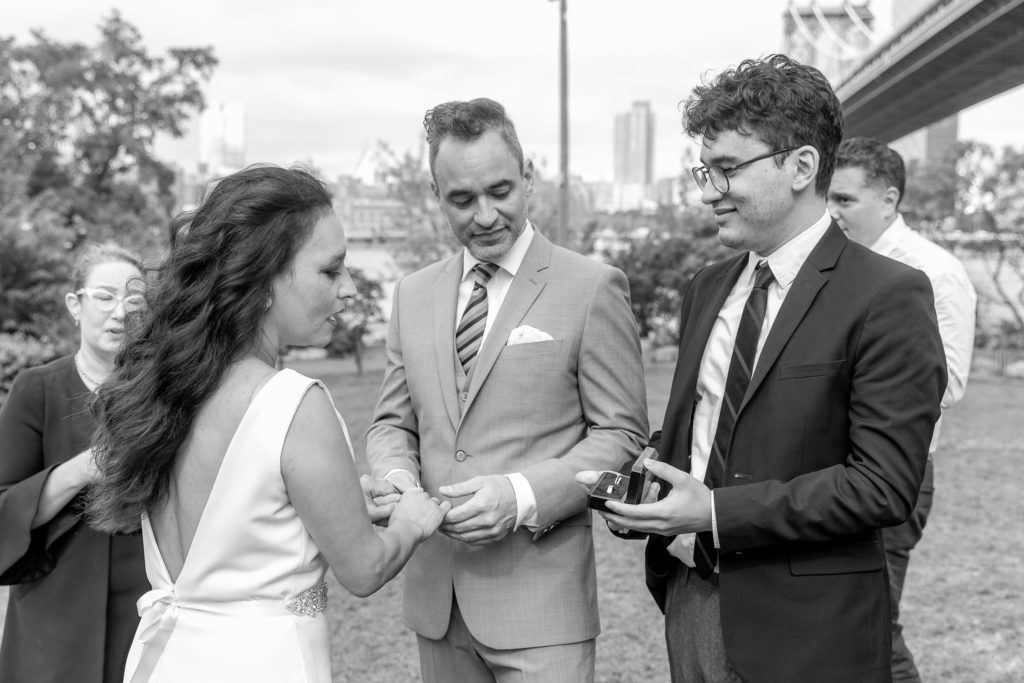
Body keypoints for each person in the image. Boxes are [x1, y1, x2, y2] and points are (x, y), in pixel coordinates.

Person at [578, 54, 947, 682]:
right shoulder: (708, 286)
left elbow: (883, 485)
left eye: (727, 170)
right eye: (704, 170)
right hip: (689, 599)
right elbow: (709, 432)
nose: (706, 192)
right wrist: (649, 485)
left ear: (802, 166)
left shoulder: (889, 294)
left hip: (808, 629)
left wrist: (716, 512)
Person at [85, 165, 449, 683]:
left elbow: (232, 519)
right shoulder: (293, 403)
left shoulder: (169, 386)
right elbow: (364, 569)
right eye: (330, 271)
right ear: (265, 281)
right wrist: (412, 520)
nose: (348, 290)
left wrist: (342, 505)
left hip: (168, 660)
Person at [364, 98, 649, 683]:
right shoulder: (412, 294)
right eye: (462, 200)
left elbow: (622, 435)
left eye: (500, 191)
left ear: (529, 180)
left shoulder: (593, 287)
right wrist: (396, 480)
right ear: (437, 196)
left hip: (544, 607)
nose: (485, 215)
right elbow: (393, 424)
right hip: (436, 601)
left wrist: (520, 495)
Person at [828, 136, 977, 683]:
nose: (832, 212)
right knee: (832, 628)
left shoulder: (936, 272)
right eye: (829, 199)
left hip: (892, 472)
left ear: (889, 200)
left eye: (845, 200)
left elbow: (951, 381)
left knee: (874, 632)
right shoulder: (837, 268)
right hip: (827, 472)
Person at [0, 243, 149, 683]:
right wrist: (82, 469)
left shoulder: (163, 391)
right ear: (75, 305)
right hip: (55, 602)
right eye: (104, 296)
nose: (120, 312)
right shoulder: (37, 389)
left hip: (146, 598)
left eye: (135, 300)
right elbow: (4, 507)